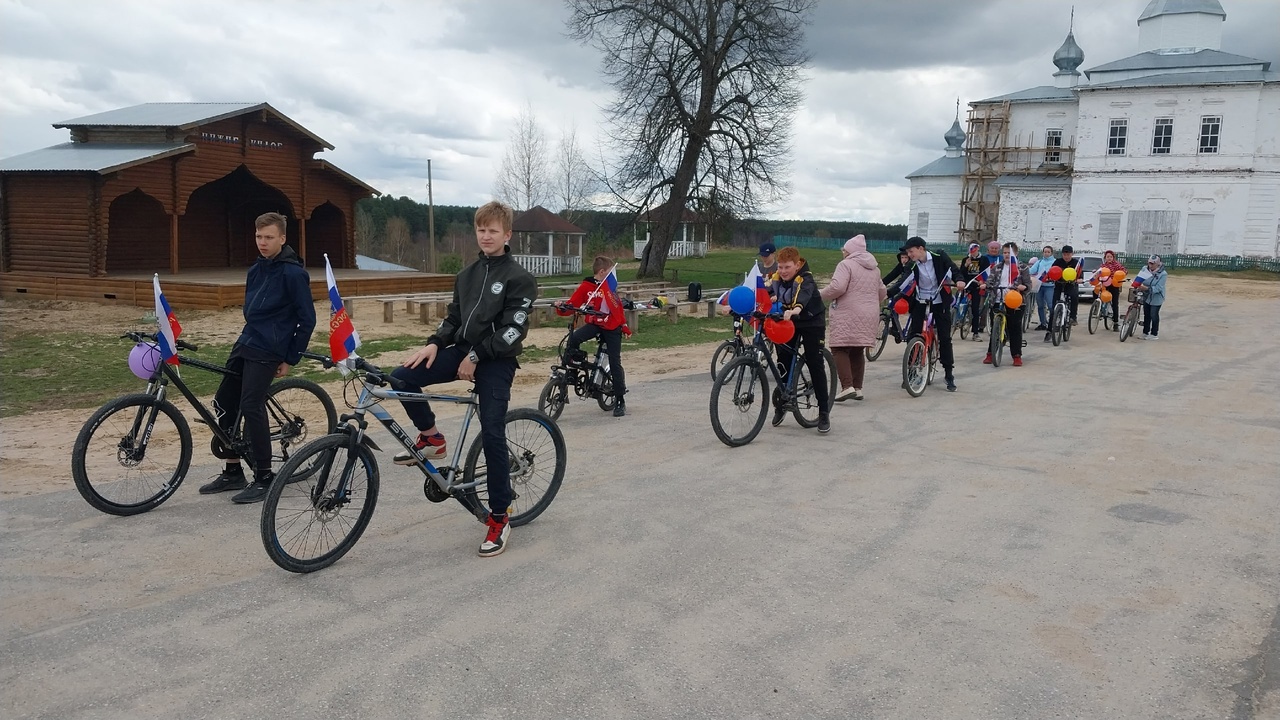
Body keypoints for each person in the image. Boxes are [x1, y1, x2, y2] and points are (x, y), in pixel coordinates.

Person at [389, 201, 537, 558]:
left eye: (493, 230)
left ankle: (499, 517)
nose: (486, 236)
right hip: (462, 350)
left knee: (492, 432)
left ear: (507, 235)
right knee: (401, 377)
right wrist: (434, 344)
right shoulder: (467, 275)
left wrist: (476, 356)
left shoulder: (520, 278)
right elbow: (453, 318)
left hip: (496, 360)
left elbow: (513, 332)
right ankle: (431, 437)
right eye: (481, 230)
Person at [199, 212, 317, 504]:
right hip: (247, 342)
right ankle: (232, 470)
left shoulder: (293, 274)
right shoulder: (256, 269)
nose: (262, 243)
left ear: (282, 238)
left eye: (269, 237)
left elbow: (308, 319)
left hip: (270, 348)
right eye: (259, 237)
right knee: (224, 402)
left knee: (251, 404)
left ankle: (265, 476)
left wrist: (290, 357)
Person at [554, 256, 630, 416]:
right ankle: (573, 371)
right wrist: (561, 307)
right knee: (573, 339)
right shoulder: (586, 286)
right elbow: (571, 305)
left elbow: (618, 310)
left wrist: (623, 326)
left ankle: (620, 399)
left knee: (615, 361)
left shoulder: (608, 288)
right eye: (609, 272)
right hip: (595, 323)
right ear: (602, 272)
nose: (611, 275)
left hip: (612, 326)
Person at [768, 246, 830, 432]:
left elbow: (803, 294)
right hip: (789, 320)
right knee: (783, 360)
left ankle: (824, 412)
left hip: (811, 320)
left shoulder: (806, 278)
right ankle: (783, 400)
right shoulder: (776, 277)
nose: (783, 271)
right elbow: (762, 290)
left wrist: (796, 309)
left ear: (797, 265)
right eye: (780, 267)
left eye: (787, 267)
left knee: (814, 362)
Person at [820, 235, 885, 401]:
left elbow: (838, 287)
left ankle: (847, 386)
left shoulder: (846, 265)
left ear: (849, 251)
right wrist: (870, 303)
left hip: (848, 312)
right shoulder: (874, 268)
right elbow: (882, 292)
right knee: (857, 349)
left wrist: (820, 295)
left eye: (845, 250)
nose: (843, 252)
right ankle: (858, 387)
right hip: (870, 313)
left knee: (839, 347)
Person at [900, 236, 960, 391]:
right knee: (914, 335)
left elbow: (953, 269)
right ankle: (911, 372)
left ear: (921, 249)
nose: (910, 255)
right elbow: (904, 282)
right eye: (908, 252)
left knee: (945, 338)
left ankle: (949, 374)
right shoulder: (912, 265)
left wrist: (959, 280)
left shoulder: (939, 257)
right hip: (921, 301)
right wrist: (889, 293)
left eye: (911, 251)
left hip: (940, 302)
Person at [983, 242, 1030, 367]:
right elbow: (990, 280)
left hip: (1015, 301)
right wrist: (986, 285)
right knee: (995, 328)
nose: (1006, 255)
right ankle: (990, 353)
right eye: (1004, 253)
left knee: (1015, 328)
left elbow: (1028, 286)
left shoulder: (1022, 268)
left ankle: (1016, 355)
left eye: (1009, 253)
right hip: (998, 299)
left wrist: (1023, 287)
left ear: (1015, 254)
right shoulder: (997, 267)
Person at [1047, 244, 1082, 340]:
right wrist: (1049, 278)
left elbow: (1079, 274)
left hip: (1070, 285)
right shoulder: (1057, 262)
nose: (1066, 257)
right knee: (1053, 309)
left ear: (1072, 254)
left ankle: (1073, 317)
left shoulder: (1075, 263)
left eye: (1068, 254)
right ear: (1062, 254)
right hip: (1058, 285)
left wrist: (1079, 279)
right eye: (1064, 254)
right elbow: (1051, 272)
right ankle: (1049, 331)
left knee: (1074, 296)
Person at [957, 243, 990, 338]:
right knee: (960, 303)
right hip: (967, 284)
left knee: (975, 308)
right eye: (971, 250)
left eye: (975, 250)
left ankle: (975, 332)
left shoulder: (983, 259)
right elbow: (961, 273)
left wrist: (982, 282)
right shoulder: (966, 259)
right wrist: (966, 265)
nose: (973, 252)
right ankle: (958, 319)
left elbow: (985, 272)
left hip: (977, 285)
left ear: (978, 249)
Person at [1026, 245, 1056, 330]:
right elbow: (1032, 270)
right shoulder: (1039, 262)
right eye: (1045, 252)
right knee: (1040, 306)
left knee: (1050, 305)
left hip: (1050, 286)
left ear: (1051, 253)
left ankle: (1051, 323)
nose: (1046, 254)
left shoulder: (1055, 262)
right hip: (1039, 286)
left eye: (1048, 252)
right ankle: (1043, 323)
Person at [1099, 250, 1127, 329]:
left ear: (1113, 258)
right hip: (1105, 285)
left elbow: (1124, 271)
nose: (1109, 258)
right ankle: (1099, 310)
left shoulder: (1117, 265)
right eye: (1107, 257)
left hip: (1114, 286)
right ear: (1105, 258)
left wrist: (1121, 274)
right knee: (1100, 296)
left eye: (1110, 257)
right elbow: (1099, 272)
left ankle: (1115, 322)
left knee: (1115, 304)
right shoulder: (1103, 266)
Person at [1141, 255, 1167, 340]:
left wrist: (1147, 288)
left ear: (1158, 264)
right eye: (1149, 263)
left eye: (1153, 264)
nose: (1150, 265)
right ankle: (1145, 332)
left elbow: (1159, 288)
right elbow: (1140, 278)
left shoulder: (1163, 274)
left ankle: (1154, 334)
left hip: (1157, 297)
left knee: (1154, 315)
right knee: (1146, 314)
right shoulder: (1145, 269)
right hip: (1146, 295)